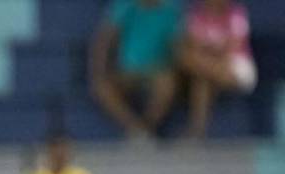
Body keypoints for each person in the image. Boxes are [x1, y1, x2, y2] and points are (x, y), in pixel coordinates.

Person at [91, 0, 183, 139]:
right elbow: (105, 40)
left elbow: (177, 46)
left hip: (158, 70)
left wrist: (173, 68)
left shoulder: (171, 10)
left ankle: (147, 126)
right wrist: (99, 69)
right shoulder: (124, 6)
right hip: (127, 71)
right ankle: (136, 128)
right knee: (101, 86)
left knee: (167, 85)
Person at [178, 0, 257, 139]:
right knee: (201, 81)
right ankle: (197, 131)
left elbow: (233, 47)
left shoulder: (236, 15)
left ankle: (196, 131)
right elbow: (192, 46)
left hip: (236, 65)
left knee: (198, 68)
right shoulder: (197, 16)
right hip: (209, 67)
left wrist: (207, 54)